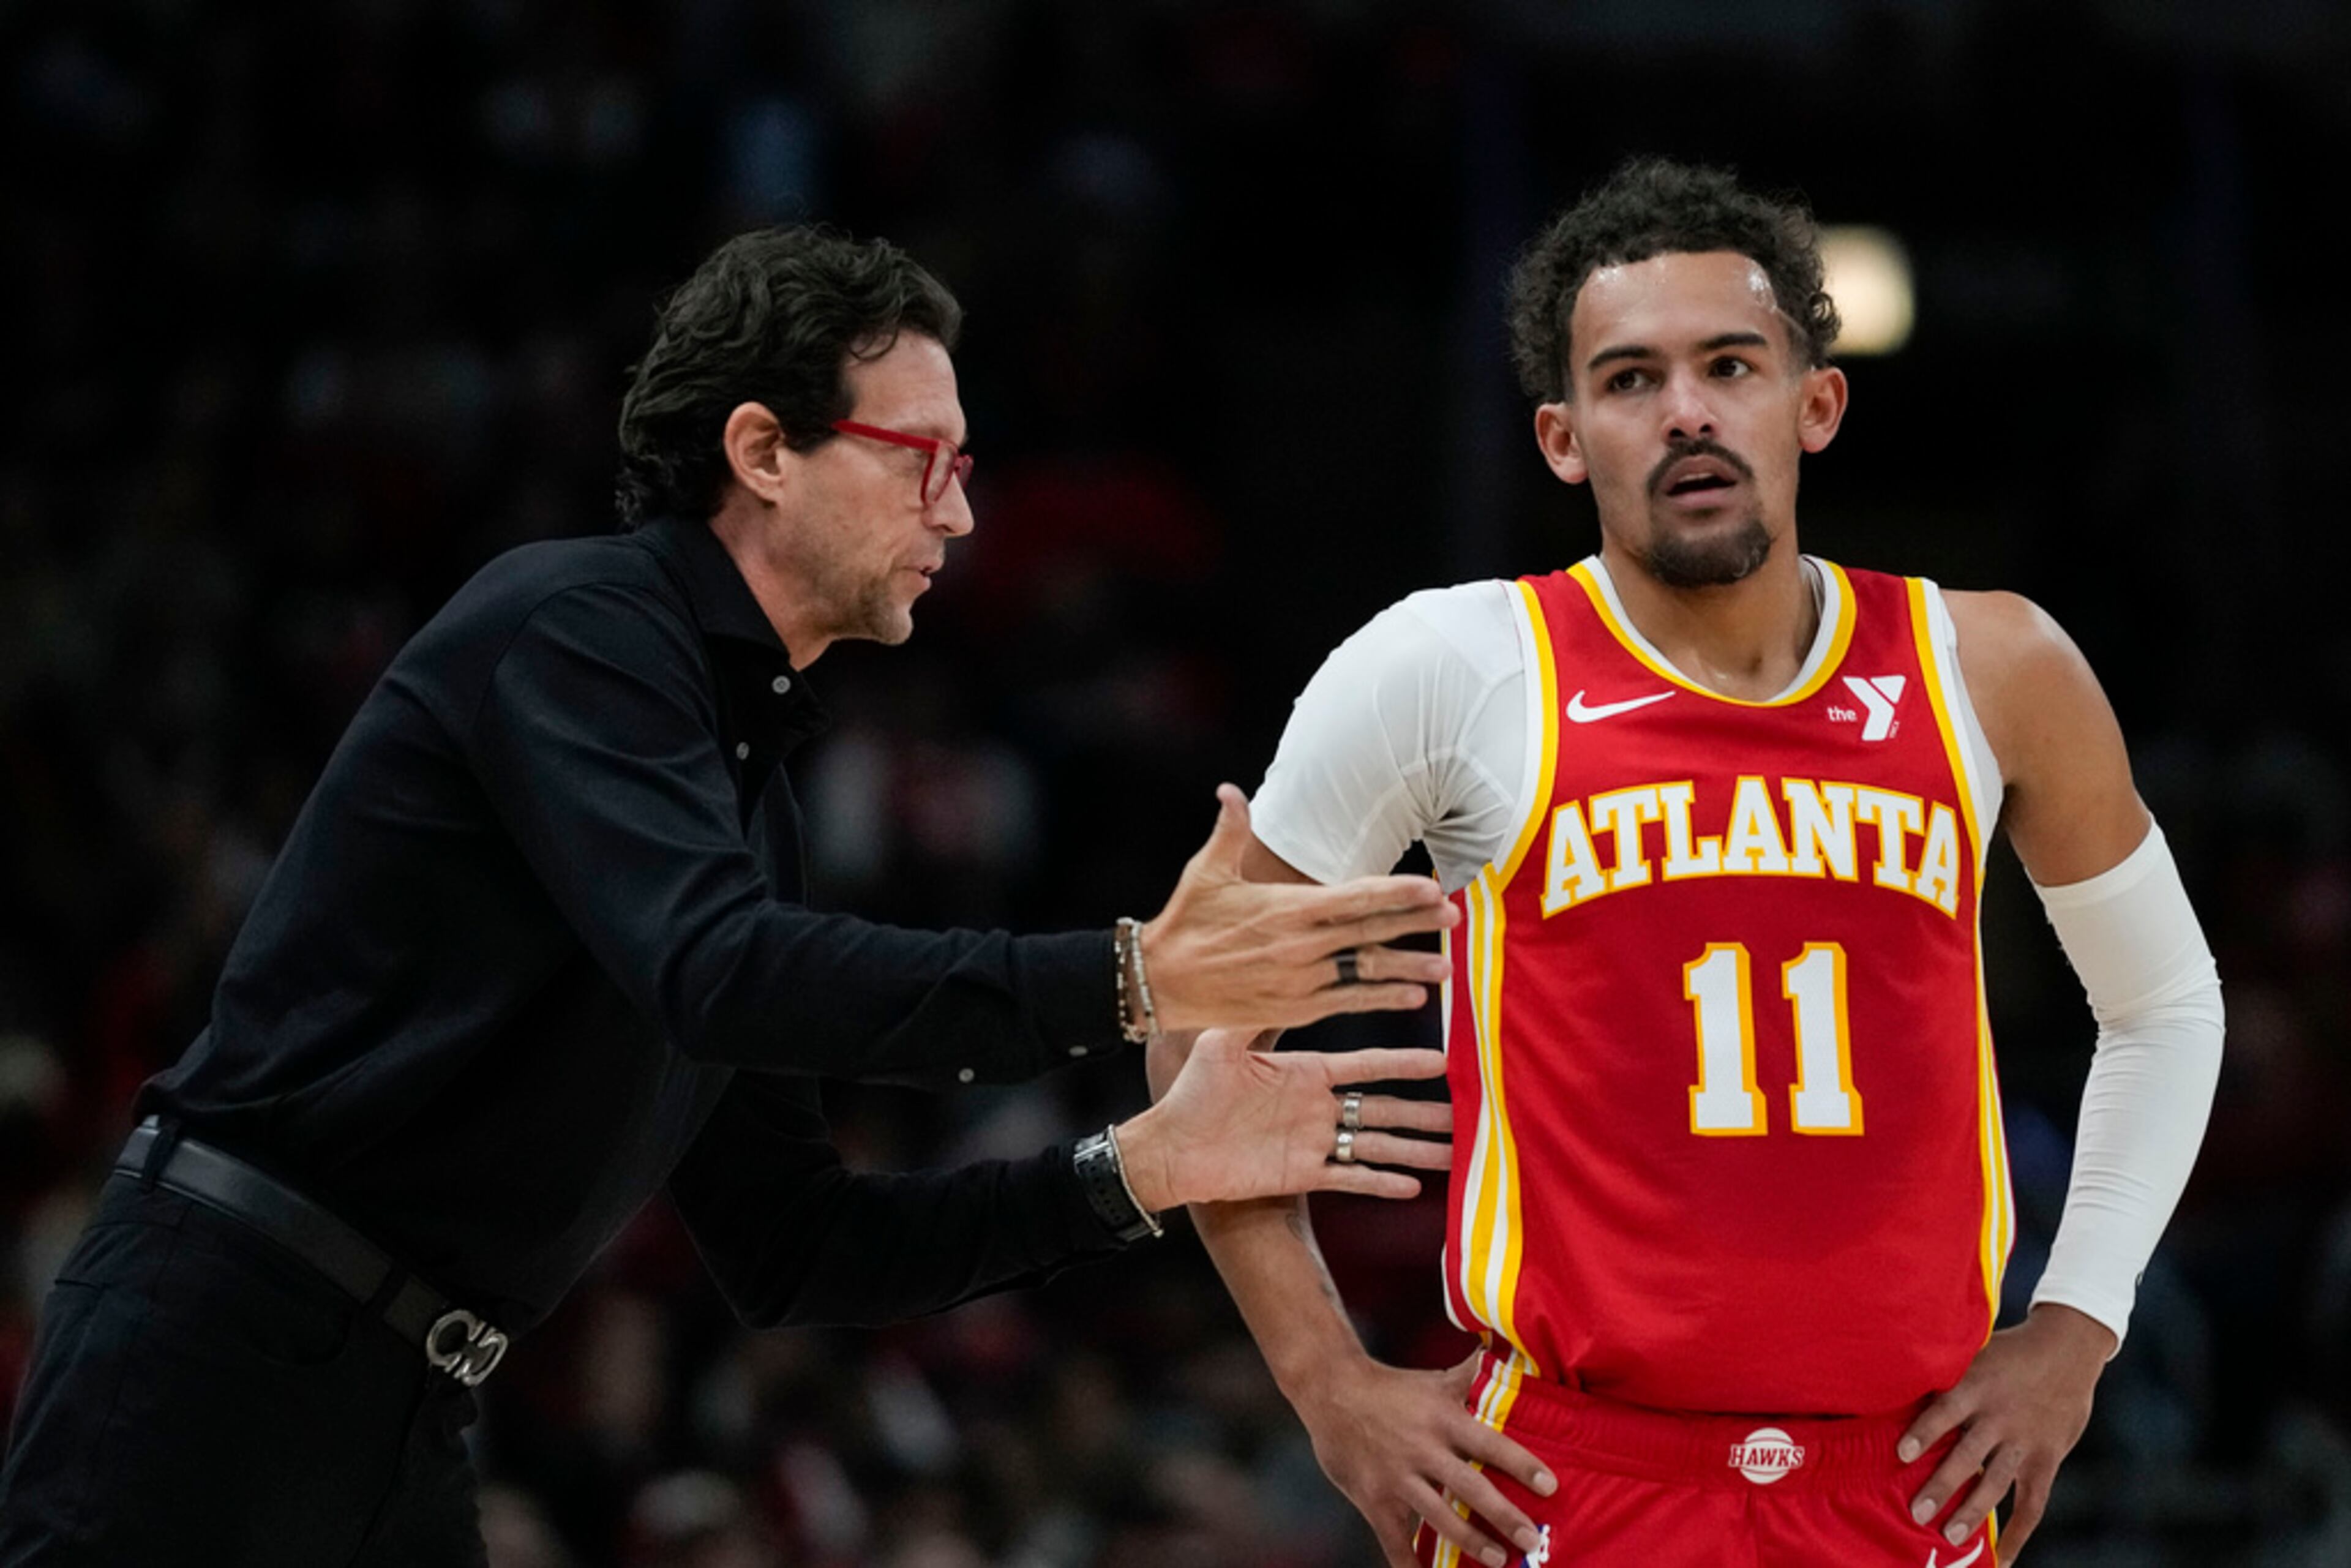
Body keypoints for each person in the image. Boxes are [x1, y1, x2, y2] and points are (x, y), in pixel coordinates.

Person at [0, 227, 1463, 1566]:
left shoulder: (745, 796)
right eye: (925, 460)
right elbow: (722, 971)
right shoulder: (573, 628)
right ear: (763, 450)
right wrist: (1136, 976)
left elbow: (796, 1249)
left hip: (412, 1398)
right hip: (220, 1340)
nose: (962, 515)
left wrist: (1137, 1169)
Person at [1176, 159, 2225, 1568]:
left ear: (1816, 404)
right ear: (1562, 438)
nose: (1685, 412)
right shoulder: (1449, 667)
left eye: (1729, 365)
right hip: (1558, 1473)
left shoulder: (1996, 665)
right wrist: (1327, 1384)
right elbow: (1196, 1024)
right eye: (1628, 380)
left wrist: (2080, 1326)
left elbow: (2168, 1008)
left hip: (1901, 1472)